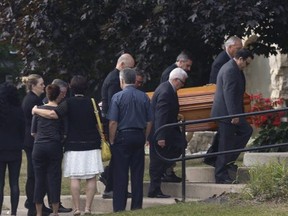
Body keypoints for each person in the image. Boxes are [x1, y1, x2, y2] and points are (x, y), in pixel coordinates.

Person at [32, 75, 104, 215]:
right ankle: (88, 208)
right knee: (91, 177)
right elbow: (98, 123)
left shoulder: (68, 103)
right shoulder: (92, 102)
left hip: (73, 144)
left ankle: (77, 208)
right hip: (92, 143)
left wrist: (36, 110)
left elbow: (53, 114)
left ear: (71, 87)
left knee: (75, 177)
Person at [107, 68, 152, 212]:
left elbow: (113, 122)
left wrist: (112, 140)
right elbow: (149, 121)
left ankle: (119, 207)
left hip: (122, 136)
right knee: (137, 173)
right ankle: (137, 206)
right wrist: (145, 137)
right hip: (139, 135)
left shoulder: (117, 97)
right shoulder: (144, 96)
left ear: (122, 80)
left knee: (120, 173)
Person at [211, 48, 254, 184]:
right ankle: (220, 174)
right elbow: (229, 94)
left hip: (228, 112)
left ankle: (225, 161)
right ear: (240, 59)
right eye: (246, 63)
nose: (246, 66)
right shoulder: (230, 70)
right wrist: (234, 115)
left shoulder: (233, 68)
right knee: (225, 143)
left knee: (244, 131)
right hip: (227, 114)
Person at [148, 68, 188, 198]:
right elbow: (161, 115)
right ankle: (154, 189)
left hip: (167, 130)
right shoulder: (166, 91)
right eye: (182, 82)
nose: (182, 85)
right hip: (161, 132)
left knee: (180, 144)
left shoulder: (166, 88)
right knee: (158, 161)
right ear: (176, 79)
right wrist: (160, 137)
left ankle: (166, 170)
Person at [100, 53, 135, 199]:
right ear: (121, 65)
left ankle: (110, 181)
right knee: (119, 158)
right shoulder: (115, 80)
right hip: (116, 124)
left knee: (119, 158)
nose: (131, 72)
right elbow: (115, 105)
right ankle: (110, 186)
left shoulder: (112, 77)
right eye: (130, 68)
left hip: (114, 123)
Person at [204, 36, 243, 167]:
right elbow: (223, 89)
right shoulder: (223, 63)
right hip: (224, 109)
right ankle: (221, 164)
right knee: (225, 139)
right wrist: (233, 113)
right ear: (230, 47)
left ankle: (215, 159)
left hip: (227, 109)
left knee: (225, 137)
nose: (240, 50)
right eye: (238, 48)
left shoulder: (230, 61)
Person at [31, 84, 65, 216]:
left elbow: (33, 132)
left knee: (39, 180)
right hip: (54, 146)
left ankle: (39, 212)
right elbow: (64, 131)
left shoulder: (38, 110)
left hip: (39, 146)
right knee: (54, 179)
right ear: (58, 95)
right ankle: (55, 211)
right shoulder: (61, 111)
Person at [41, 79, 72, 213]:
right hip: (49, 143)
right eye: (62, 93)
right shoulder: (45, 105)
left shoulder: (63, 104)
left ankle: (55, 202)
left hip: (54, 143)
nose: (64, 96)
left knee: (55, 175)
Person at [21, 74, 49, 216]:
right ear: (33, 86)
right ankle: (33, 204)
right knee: (34, 174)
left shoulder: (33, 99)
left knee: (36, 173)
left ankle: (37, 203)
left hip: (31, 140)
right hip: (32, 141)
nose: (43, 86)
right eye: (41, 84)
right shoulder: (32, 101)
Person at [0, 82, 25, 216]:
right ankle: (14, 212)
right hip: (15, 148)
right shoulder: (18, 110)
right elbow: (23, 130)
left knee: (0, 184)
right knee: (14, 183)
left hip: (1, 148)